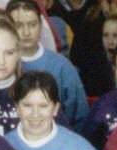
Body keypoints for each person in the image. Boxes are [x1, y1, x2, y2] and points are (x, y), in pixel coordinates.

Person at [9, 0, 88, 128]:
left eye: (32, 24)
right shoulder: (2, 66)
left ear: (41, 25)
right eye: (18, 25)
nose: (26, 32)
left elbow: (80, 116)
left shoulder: (61, 66)